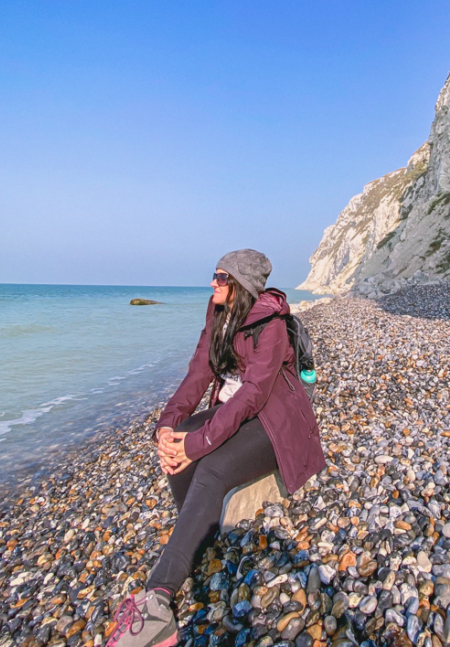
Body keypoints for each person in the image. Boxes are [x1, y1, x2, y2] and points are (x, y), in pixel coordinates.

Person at [108, 249, 327, 647]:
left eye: (221, 277)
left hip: (276, 420)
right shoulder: (217, 312)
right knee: (179, 445)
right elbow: (198, 373)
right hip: (239, 409)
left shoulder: (272, 323)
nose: (213, 283)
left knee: (210, 465)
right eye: (215, 275)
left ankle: (158, 598)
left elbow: (253, 397)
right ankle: (195, 535)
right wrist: (168, 425)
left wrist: (199, 444)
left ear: (241, 284)